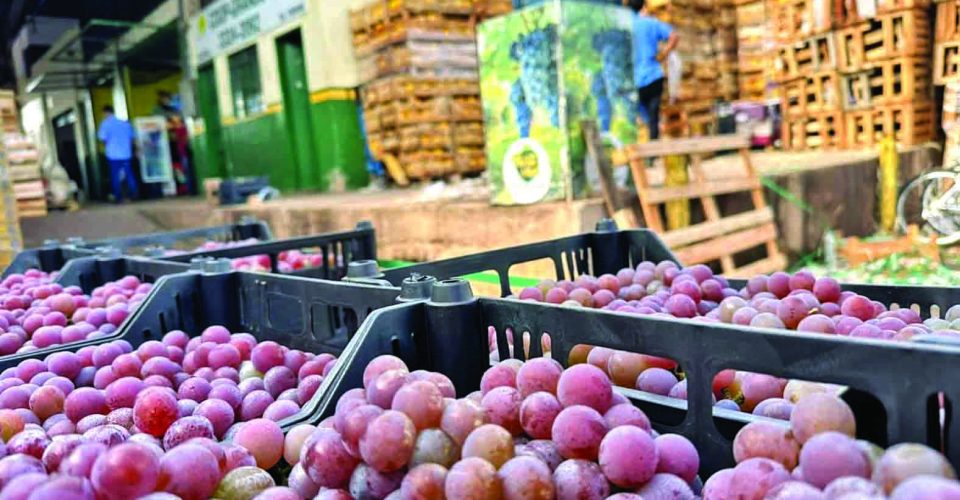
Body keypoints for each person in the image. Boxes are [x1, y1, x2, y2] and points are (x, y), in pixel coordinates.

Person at [629, 0, 679, 140]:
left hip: (634, 79)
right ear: (644, 7)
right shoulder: (651, 23)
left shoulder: (626, 26)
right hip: (653, 75)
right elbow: (674, 36)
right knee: (653, 115)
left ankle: (643, 148)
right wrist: (664, 54)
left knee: (640, 116)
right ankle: (653, 153)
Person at [97, 105, 138, 203]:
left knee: (115, 176)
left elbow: (102, 138)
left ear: (106, 113)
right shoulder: (125, 123)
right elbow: (133, 138)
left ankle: (118, 197)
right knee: (129, 175)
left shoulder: (105, 124)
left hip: (113, 155)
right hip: (126, 154)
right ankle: (134, 195)